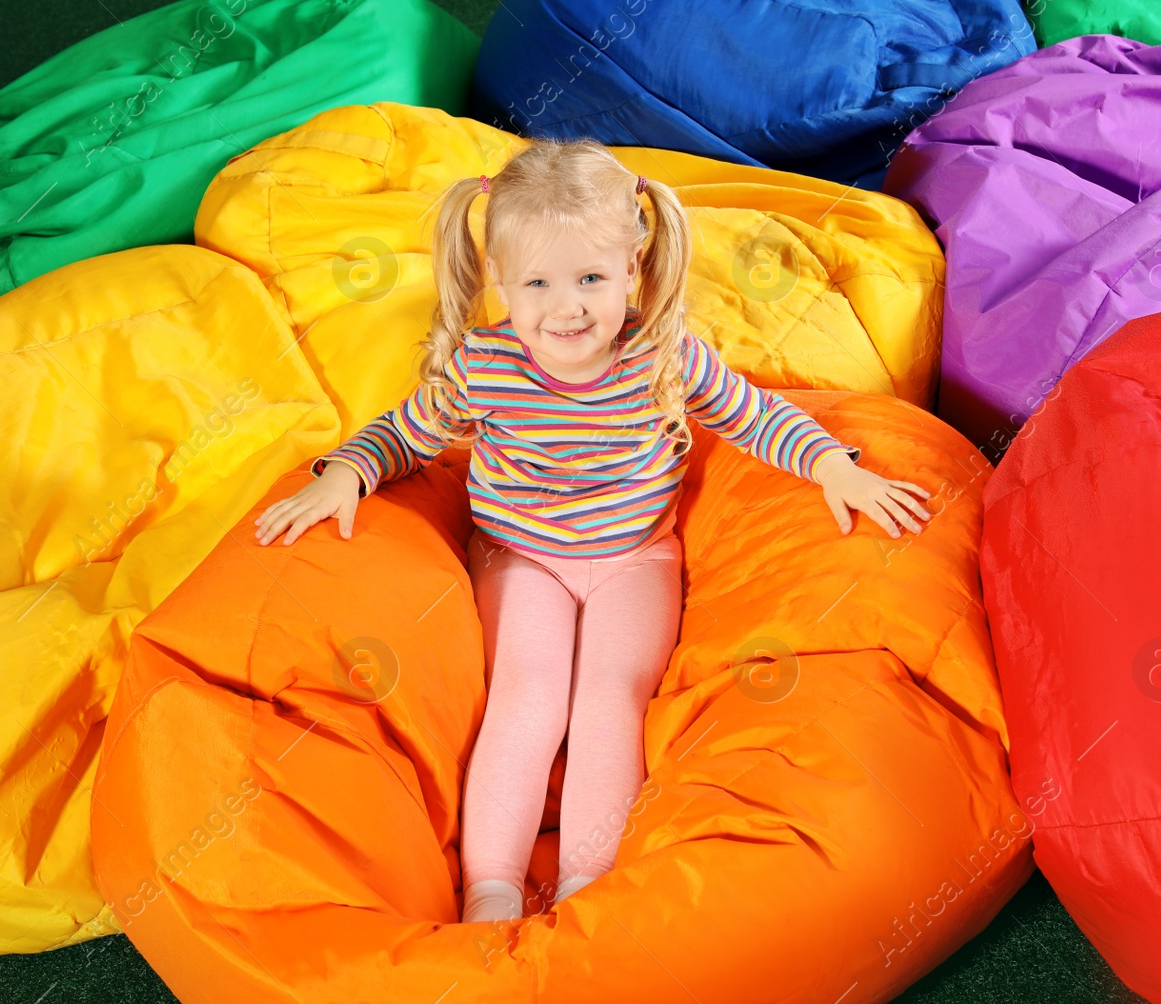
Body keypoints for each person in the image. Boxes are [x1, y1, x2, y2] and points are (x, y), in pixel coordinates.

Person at [253, 138, 932, 922]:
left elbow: (757, 416)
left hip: (635, 557)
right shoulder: (487, 364)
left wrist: (834, 465)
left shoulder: (660, 354)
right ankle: (492, 890)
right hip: (521, 557)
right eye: (538, 282)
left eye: (591, 279)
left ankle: (586, 889)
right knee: (529, 694)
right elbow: (408, 433)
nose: (567, 307)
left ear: (633, 268)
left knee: (611, 700)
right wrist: (344, 472)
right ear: (502, 280)